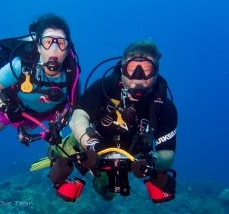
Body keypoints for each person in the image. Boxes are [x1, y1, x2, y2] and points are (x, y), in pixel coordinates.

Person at [48, 40, 177, 202]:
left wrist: (151, 160)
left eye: (146, 69)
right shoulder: (105, 87)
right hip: (91, 145)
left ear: (156, 71)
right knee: (61, 152)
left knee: (108, 193)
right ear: (123, 69)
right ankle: (62, 150)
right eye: (132, 69)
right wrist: (90, 143)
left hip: (132, 158)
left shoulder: (164, 107)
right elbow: (78, 117)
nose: (138, 76)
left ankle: (95, 175)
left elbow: (168, 154)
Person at [0, 13, 80, 146]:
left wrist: (57, 126)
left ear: (67, 49)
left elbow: (73, 105)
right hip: (16, 108)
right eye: (48, 42)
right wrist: (5, 107)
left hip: (46, 113)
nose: (54, 50)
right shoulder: (22, 65)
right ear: (38, 46)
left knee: (26, 130)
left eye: (61, 43)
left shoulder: (71, 73)